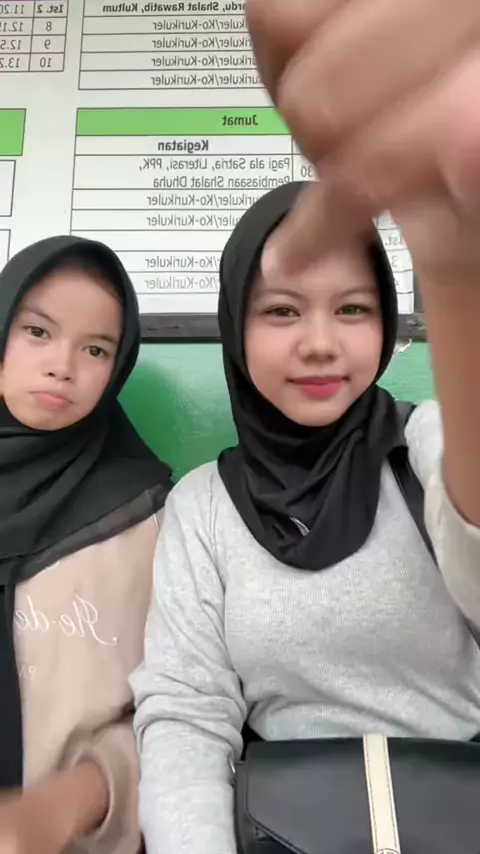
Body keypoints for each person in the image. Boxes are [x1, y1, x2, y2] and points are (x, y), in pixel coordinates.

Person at [132, 181, 480, 854]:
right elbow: (187, 718)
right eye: (282, 311)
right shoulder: (204, 508)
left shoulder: (432, 446)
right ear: (236, 324)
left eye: (352, 309)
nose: (320, 343)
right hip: (281, 834)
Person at [0, 235, 172, 854]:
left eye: (96, 348)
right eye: (37, 332)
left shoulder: (148, 518)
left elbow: (176, 712)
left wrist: (69, 802)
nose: (62, 365)